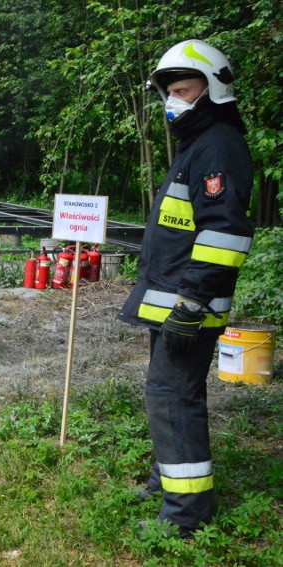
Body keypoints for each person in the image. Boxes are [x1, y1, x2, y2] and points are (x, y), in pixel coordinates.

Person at [118, 40, 254, 539]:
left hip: (188, 304)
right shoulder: (197, 145)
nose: (173, 100)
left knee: (173, 397)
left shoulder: (218, 144)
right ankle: (165, 482)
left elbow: (224, 235)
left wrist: (192, 302)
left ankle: (186, 514)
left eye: (182, 89)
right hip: (174, 302)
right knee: (170, 393)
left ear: (211, 89)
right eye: (169, 92)